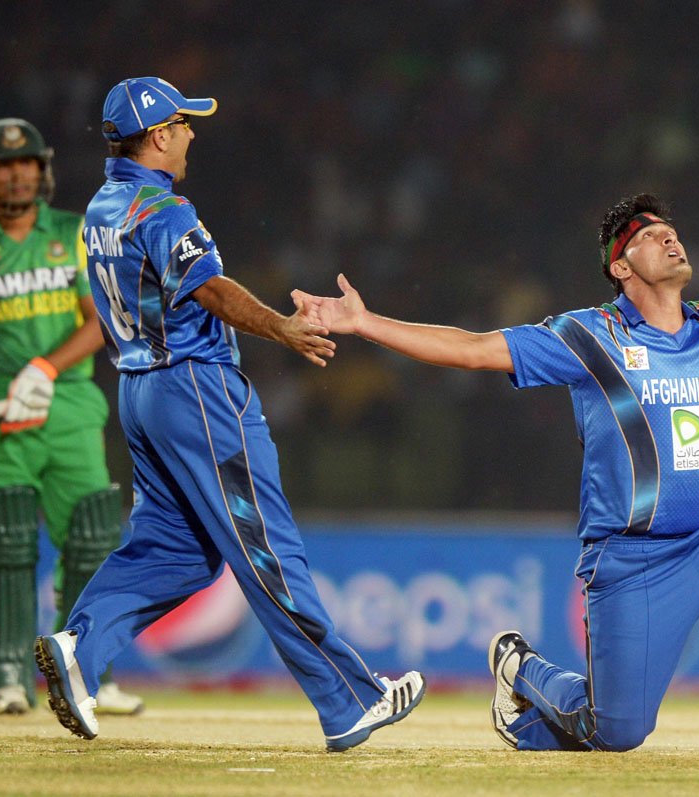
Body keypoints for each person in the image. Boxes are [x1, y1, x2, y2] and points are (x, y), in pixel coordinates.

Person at [294, 193, 699, 756]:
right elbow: (475, 347)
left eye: (672, 232)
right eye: (651, 236)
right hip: (636, 559)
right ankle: (521, 670)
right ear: (621, 268)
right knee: (616, 731)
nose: (670, 239)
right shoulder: (590, 336)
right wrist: (365, 323)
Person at [33, 77, 425, 752]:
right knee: (265, 546)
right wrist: (284, 328)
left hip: (140, 393)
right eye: (184, 123)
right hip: (196, 392)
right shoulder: (162, 209)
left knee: (177, 549)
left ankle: (80, 644)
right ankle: (349, 698)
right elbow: (207, 286)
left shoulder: (101, 207)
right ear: (158, 136)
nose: (192, 133)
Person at [0, 117, 143, 717]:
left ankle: (84, 675)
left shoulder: (76, 234)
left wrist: (45, 370)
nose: (16, 173)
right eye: (2, 165)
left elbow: (100, 319)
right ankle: (3, 676)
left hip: (69, 402)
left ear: (43, 171)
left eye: (25, 164)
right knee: (7, 539)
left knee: (93, 537)